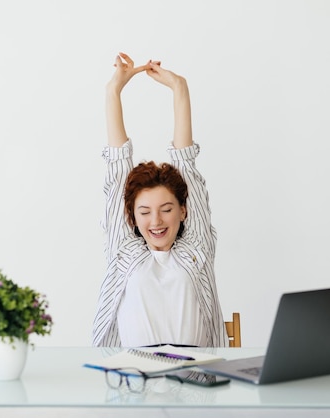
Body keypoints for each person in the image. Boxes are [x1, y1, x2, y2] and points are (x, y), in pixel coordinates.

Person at [92, 52, 228, 348]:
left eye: (166, 209)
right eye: (145, 212)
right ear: (131, 217)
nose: (155, 221)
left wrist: (180, 88)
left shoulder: (197, 250)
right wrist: (113, 90)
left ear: (183, 211)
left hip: (195, 385)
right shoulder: (123, 250)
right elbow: (117, 169)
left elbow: (187, 165)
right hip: (134, 386)